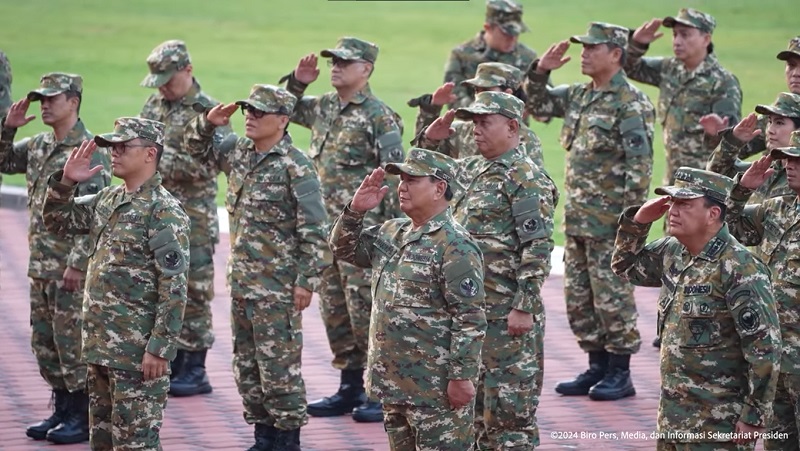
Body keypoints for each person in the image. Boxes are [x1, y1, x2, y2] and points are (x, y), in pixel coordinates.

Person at [184, 84, 331, 451]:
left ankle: (287, 438)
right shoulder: (238, 152)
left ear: (283, 120)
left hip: (278, 287)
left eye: (259, 112)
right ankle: (263, 436)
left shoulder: (296, 166)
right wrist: (207, 123)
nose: (249, 116)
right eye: (248, 110)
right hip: (243, 283)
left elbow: (315, 229)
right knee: (247, 367)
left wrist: (306, 281)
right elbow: (194, 150)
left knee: (278, 370)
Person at [42, 117, 190, 450]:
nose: (114, 153)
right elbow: (57, 221)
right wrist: (66, 182)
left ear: (150, 153)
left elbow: (175, 285)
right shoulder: (109, 198)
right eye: (112, 147)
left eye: (124, 147)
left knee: (135, 444)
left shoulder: (163, 210)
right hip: (100, 347)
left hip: (137, 355)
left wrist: (159, 347)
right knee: (103, 442)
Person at [524, 22, 654, 400]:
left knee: (612, 298)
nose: (583, 54)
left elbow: (639, 169)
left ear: (616, 53)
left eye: (592, 48)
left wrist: (630, 226)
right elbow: (539, 104)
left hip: (610, 224)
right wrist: (541, 72)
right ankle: (596, 367)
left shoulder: (631, 103)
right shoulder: (580, 95)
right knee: (580, 300)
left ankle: (620, 372)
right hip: (579, 220)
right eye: (583, 48)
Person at [612, 167, 781, 451]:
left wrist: (754, 416)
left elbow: (765, 347)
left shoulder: (739, 267)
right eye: (673, 203)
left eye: (685, 204)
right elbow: (625, 267)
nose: (673, 211)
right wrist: (638, 221)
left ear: (713, 214)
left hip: (718, 422)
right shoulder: (672, 252)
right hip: (673, 418)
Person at [329, 147, 487, 451]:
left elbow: (469, 319)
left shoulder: (456, 246)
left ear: (440, 188)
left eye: (413, 179)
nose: (402, 186)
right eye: (401, 179)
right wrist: (355, 211)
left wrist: (461, 377)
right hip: (394, 383)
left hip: (434, 389)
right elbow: (343, 249)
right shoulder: (392, 231)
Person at [281, 36, 405, 422]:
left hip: (362, 236)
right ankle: (349, 387)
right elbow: (279, 112)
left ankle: (378, 392)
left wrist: (386, 237)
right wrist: (298, 82)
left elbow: (395, 179)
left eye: (344, 62)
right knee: (335, 312)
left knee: (366, 311)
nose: (335, 67)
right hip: (327, 234)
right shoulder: (322, 107)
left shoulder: (379, 117)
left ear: (365, 70)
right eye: (333, 60)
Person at [0, 72, 110, 444]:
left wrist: (79, 262)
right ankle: (61, 410)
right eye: (40, 99)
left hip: (69, 267)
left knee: (72, 344)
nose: (44, 105)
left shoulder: (90, 152)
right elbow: (3, 162)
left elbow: (97, 212)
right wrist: (8, 128)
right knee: (45, 343)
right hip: (41, 265)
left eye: (52, 98)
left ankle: (81, 416)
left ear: (74, 102)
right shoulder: (39, 145)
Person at [452, 91, 557, 449]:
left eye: (485, 123)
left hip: (506, 317)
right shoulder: (473, 169)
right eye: (474, 124)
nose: (476, 131)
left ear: (512, 127)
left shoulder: (525, 177)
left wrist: (524, 305)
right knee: (476, 413)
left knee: (508, 419)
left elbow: (538, 246)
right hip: (473, 314)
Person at [140, 39, 231, 396]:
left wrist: (157, 164)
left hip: (193, 216)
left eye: (168, 78)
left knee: (193, 290)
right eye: (158, 79)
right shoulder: (154, 103)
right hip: (156, 214)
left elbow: (220, 161)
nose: (163, 85)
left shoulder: (209, 111)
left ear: (187, 71)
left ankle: (195, 369)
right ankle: (170, 359)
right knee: (160, 286)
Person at [726, 132, 800, 450]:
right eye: (789, 159)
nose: (789, 166)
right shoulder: (777, 208)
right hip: (774, 355)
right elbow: (725, 227)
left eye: (798, 160)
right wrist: (743, 190)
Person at [626, 8, 742, 186]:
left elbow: (734, 145)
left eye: (685, 35)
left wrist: (719, 133)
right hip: (673, 182)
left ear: (706, 39)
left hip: (705, 186)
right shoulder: (669, 69)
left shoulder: (723, 82)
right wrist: (636, 45)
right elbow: (629, 68)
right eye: (675, 35)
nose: (677, 41)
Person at [411, 62, 544, 167]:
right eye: (477, 90)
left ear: (507, 93)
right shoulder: (459, 130)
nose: (479, 96)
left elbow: (533, 188)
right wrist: (431, 110)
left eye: (486, 90)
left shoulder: (526, 139)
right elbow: (422, 165)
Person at [702, 35, 800, 161]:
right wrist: (721, 136)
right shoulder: (779, 114)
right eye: (791, 65)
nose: (796, 73)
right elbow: (731, 156)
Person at [706, 93, 800, 204]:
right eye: (770, 122)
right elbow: (715, 175)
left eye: (779, 123)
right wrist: (733, 141)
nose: (770, 130)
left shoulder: (795, 177)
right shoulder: (764, 170)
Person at [443, 0, 537, 110]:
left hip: (514, 126)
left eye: (516, 33)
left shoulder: (527, 57)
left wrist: (541, 73)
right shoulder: (461, 55)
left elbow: (541, 109)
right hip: (473, 125)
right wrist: (488, 112)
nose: (512, 39)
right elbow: (454, 99)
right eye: (506, 33)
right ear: (488, 27)